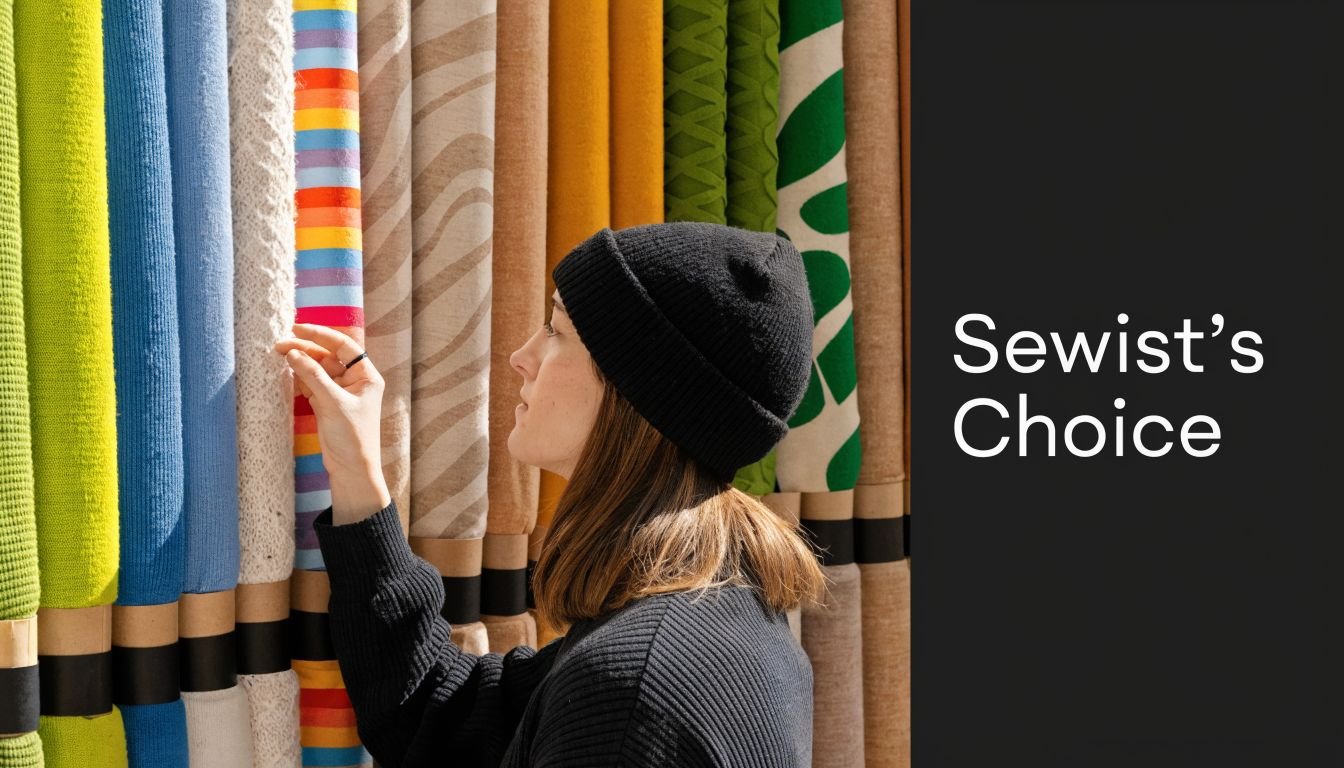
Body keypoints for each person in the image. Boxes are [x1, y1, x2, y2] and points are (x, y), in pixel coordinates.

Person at [276, 222, 827, 767]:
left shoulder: (631, 690)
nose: (522, 354)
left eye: (557, 329)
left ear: (636, 392)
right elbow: (445, 717)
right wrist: (356, 471)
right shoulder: (717, 617)